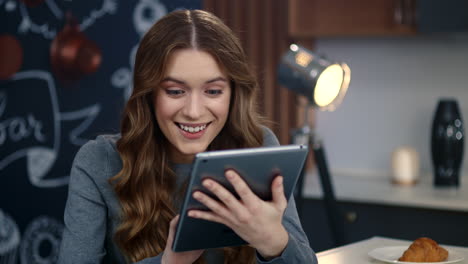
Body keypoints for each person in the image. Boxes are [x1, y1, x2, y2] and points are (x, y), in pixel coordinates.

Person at [57, 9, 318, 264]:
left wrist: (273, 242)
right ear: (149, 94)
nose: (193, 112)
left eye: (213, 91)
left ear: (233, 94)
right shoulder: (98, 162)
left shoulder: (258, 145)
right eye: (175, 91)